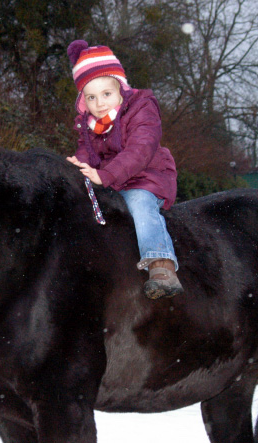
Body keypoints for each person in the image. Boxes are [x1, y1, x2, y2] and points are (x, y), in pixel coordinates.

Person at [65, 40, 183, 299]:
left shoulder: (141, 108)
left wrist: (105, 175)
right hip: (112, 182)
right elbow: (86, 151)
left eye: (106, 94)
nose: (100, 103)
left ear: (121, 87)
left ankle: (160, 264)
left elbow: (141, 149)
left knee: (139, 203)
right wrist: (77, 166)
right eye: (91, 97)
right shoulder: (88, 123)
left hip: (146, 176)